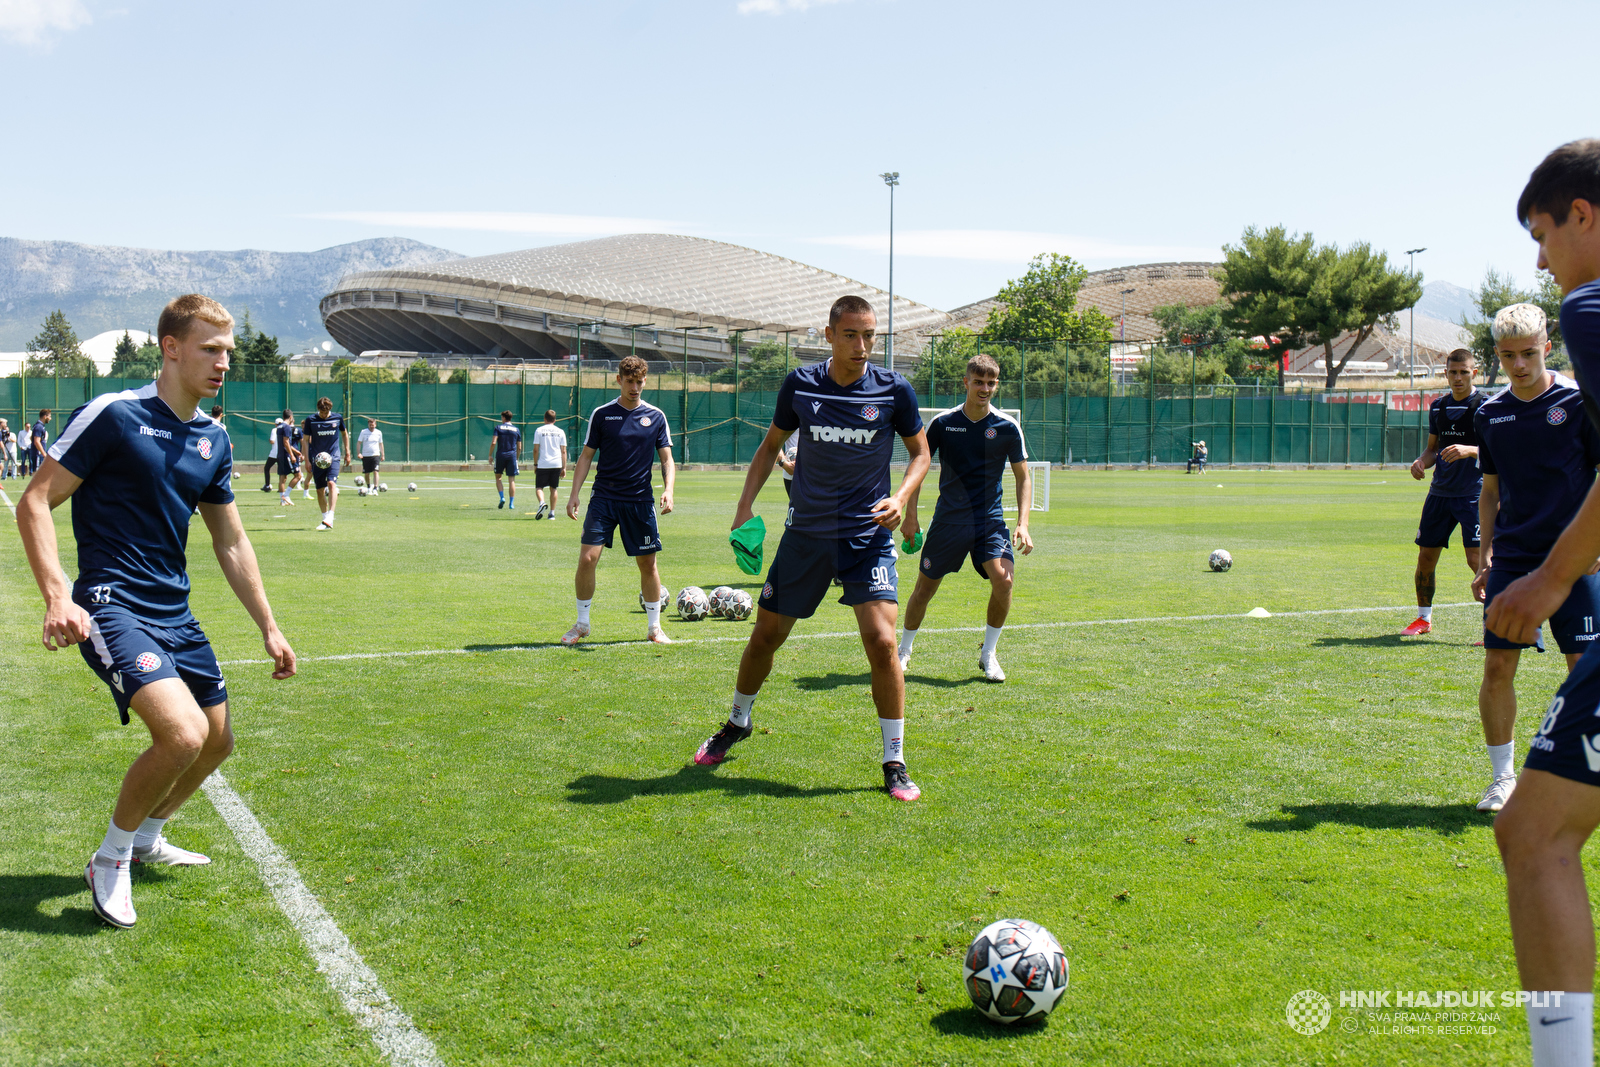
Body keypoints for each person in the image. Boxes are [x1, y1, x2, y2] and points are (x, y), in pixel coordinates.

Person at [15, 293, 295, 930]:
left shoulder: (213, 436)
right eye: (209, 349)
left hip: (175, 609)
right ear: (171, 348)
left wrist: (269, 626)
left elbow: (230, 539)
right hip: (111, 604)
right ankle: (110, 858)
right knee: (183, 734)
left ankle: (147, 837)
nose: (223, 362)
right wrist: (59, 596)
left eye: (228, 351)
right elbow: (34, 503)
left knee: (217, 742)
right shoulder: (115, 415)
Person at [690, 295, 931, 802]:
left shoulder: (894, 390)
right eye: (851, 335)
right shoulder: (800, 384)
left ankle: (894, 759)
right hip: (805, 535)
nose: (863, 346)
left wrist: (901, 498)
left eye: (870, 336)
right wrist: (744, 508)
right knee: (765, 637)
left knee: (883, 643)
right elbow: (770, 447)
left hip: (866, 536)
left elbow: (920, 452)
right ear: (829, 335)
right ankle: (737, 721)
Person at [1486, 140, 1600, 1067]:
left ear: (1583, 215)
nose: (1540, 258)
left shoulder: (1591, 307)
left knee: (1533, 833)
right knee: (1532, 826)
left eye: (1541, 233)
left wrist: (1554, 575)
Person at [1472, 304, 1600, 818]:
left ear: (1547, 346)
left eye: (1528, 353)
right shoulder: (1490, 413)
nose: (1519, 365)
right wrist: (1484, 554)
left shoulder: (1578, 402)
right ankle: (1503, 779)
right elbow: (1491, 488)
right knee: (1499, 665)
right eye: (1507, 356)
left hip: (1576, 562)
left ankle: (1583, 779)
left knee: (1584, 672)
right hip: (1515, 559)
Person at [897, 353, 1033, 682]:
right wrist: (910, 515)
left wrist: (1023, 523)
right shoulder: (943, 423)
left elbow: (1023, 477)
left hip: (989, 522)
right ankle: (903, 651)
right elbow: (919, 466)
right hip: (948, 522)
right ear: (966, 383)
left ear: (996, 385)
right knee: (924, 591)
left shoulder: (1007, 426)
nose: (984, 388)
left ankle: (988, 655)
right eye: (979, 382)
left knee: (1005, 581)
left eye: (991, 383)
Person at [564, 356, 675, 645]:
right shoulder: (602, 415)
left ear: (645, 381)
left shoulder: (656, 417)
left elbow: (667, 459)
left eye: (640, 382)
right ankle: (582, 623)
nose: (635, 387)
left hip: (639, 501)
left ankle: (654, 629)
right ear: (619, 380)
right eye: (630, 382)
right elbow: (586, 456)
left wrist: (669, 489)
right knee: (588, 558)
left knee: (647, 564)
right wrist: (574, 493)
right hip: (604, 497)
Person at [1403, 349, 1489, 636]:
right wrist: (1420, 462)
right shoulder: (1438, 407)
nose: (1458, 377)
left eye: (1464, 372)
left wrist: (1470, 450)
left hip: (1474, 494)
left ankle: (1496, 626)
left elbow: (1500, 451)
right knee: (1426, 557)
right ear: (1446, 374)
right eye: (1453, 372)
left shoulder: (1487, 407)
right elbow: (1432, 449)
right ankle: (1423, 619)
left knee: (1477, 561)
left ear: (1474, 373)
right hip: (1439, 494)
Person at [301, 397, 350, 531]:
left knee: (332, 483)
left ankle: (330, 516)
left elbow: (344, 434)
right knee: (319, 489)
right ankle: (325, 519)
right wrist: (306, 460)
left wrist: (347, 452)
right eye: (322, 412)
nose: (324, 415)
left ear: (330, 409)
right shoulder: (311, 420)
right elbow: (305, 440)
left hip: (333, 457)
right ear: (318, 410)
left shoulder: (337, 418)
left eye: (326, 412)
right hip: (317, 459)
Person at [533, 409, 568, 519]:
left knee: (539, 487)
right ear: (555, 420)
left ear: (544, 419)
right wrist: (564, 467)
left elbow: (535, 449)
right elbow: (563, 451)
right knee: (554, 488)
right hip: (556, 463)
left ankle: (542, 503)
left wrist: (535, 464)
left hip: (543, 463)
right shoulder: (560, 431)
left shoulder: (539, 430)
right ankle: (552, 513)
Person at [490, 411, 521, 509]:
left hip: (500, 455)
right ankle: (511, 503)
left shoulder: (498, 428)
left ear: (503, 418)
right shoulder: (516, 429)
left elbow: (494, 442)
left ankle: (502, 497)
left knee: (498, 477)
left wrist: (490, 455)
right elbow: (519, 447)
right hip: (511, 455)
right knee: (511, 480)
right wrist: (516, 458)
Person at [273, 410, 301, 506]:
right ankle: (286, 495)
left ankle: (282, 501)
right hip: (287, 456)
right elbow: (286, 442)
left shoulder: (279, 427)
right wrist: (292, 455)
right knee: (298, 476)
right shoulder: (286, 427)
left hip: (280, 455)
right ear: (290, 417)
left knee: (282, 477)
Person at [357, 417, 385, 492]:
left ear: (375, 425)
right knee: (366, 473)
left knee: (376, 471)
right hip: (366, 455)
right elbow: (359, 443)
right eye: (370, 425)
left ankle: (375, 487)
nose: (371, 426)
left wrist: (383, 455)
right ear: (368, 425)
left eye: (372, 425)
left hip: (375, 455)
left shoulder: (378, 433)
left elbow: (381, 444)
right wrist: (359, 453)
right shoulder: (363, 432)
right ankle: (369, 486)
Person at [30, 408, 51, 476]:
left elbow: (31, 438)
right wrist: (43, 453)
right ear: (45, 416)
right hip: (38, 454)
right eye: (49, 416)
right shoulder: (39, 427)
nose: (50, 418)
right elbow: (36, 441)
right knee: (37, 474)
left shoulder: (40, 426)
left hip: (38, 453)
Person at [776, 432, 798, 497]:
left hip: (815, 471)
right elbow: (773, 442)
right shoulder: (789, 421)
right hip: (791, 472)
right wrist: (783, 463)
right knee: (796, 506)